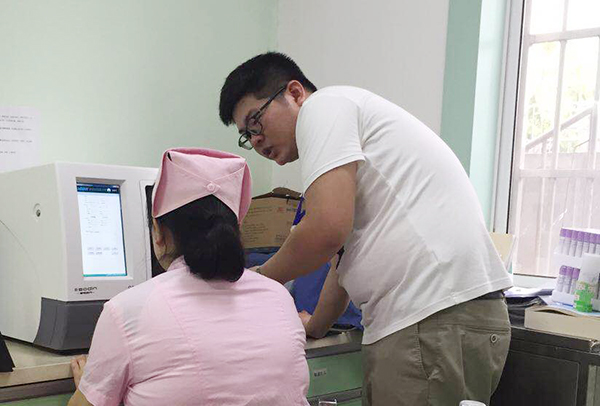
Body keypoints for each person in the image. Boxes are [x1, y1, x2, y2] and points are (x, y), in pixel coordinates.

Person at [219, 52, 513, 406]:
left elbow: (326, 231)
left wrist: (256, 280)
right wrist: (315, 326)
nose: (256, 140)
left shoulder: (323, 108)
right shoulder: (351, 126)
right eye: (246, 135)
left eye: (256, 121)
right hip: (442, 318)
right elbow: (341, 256)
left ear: (295, 93)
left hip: (430, 318)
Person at [68, 148, 310, 406]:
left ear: (159, 232)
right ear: (236, 229)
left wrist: (91, 388)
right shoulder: (279, 297)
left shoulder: (126, 311)